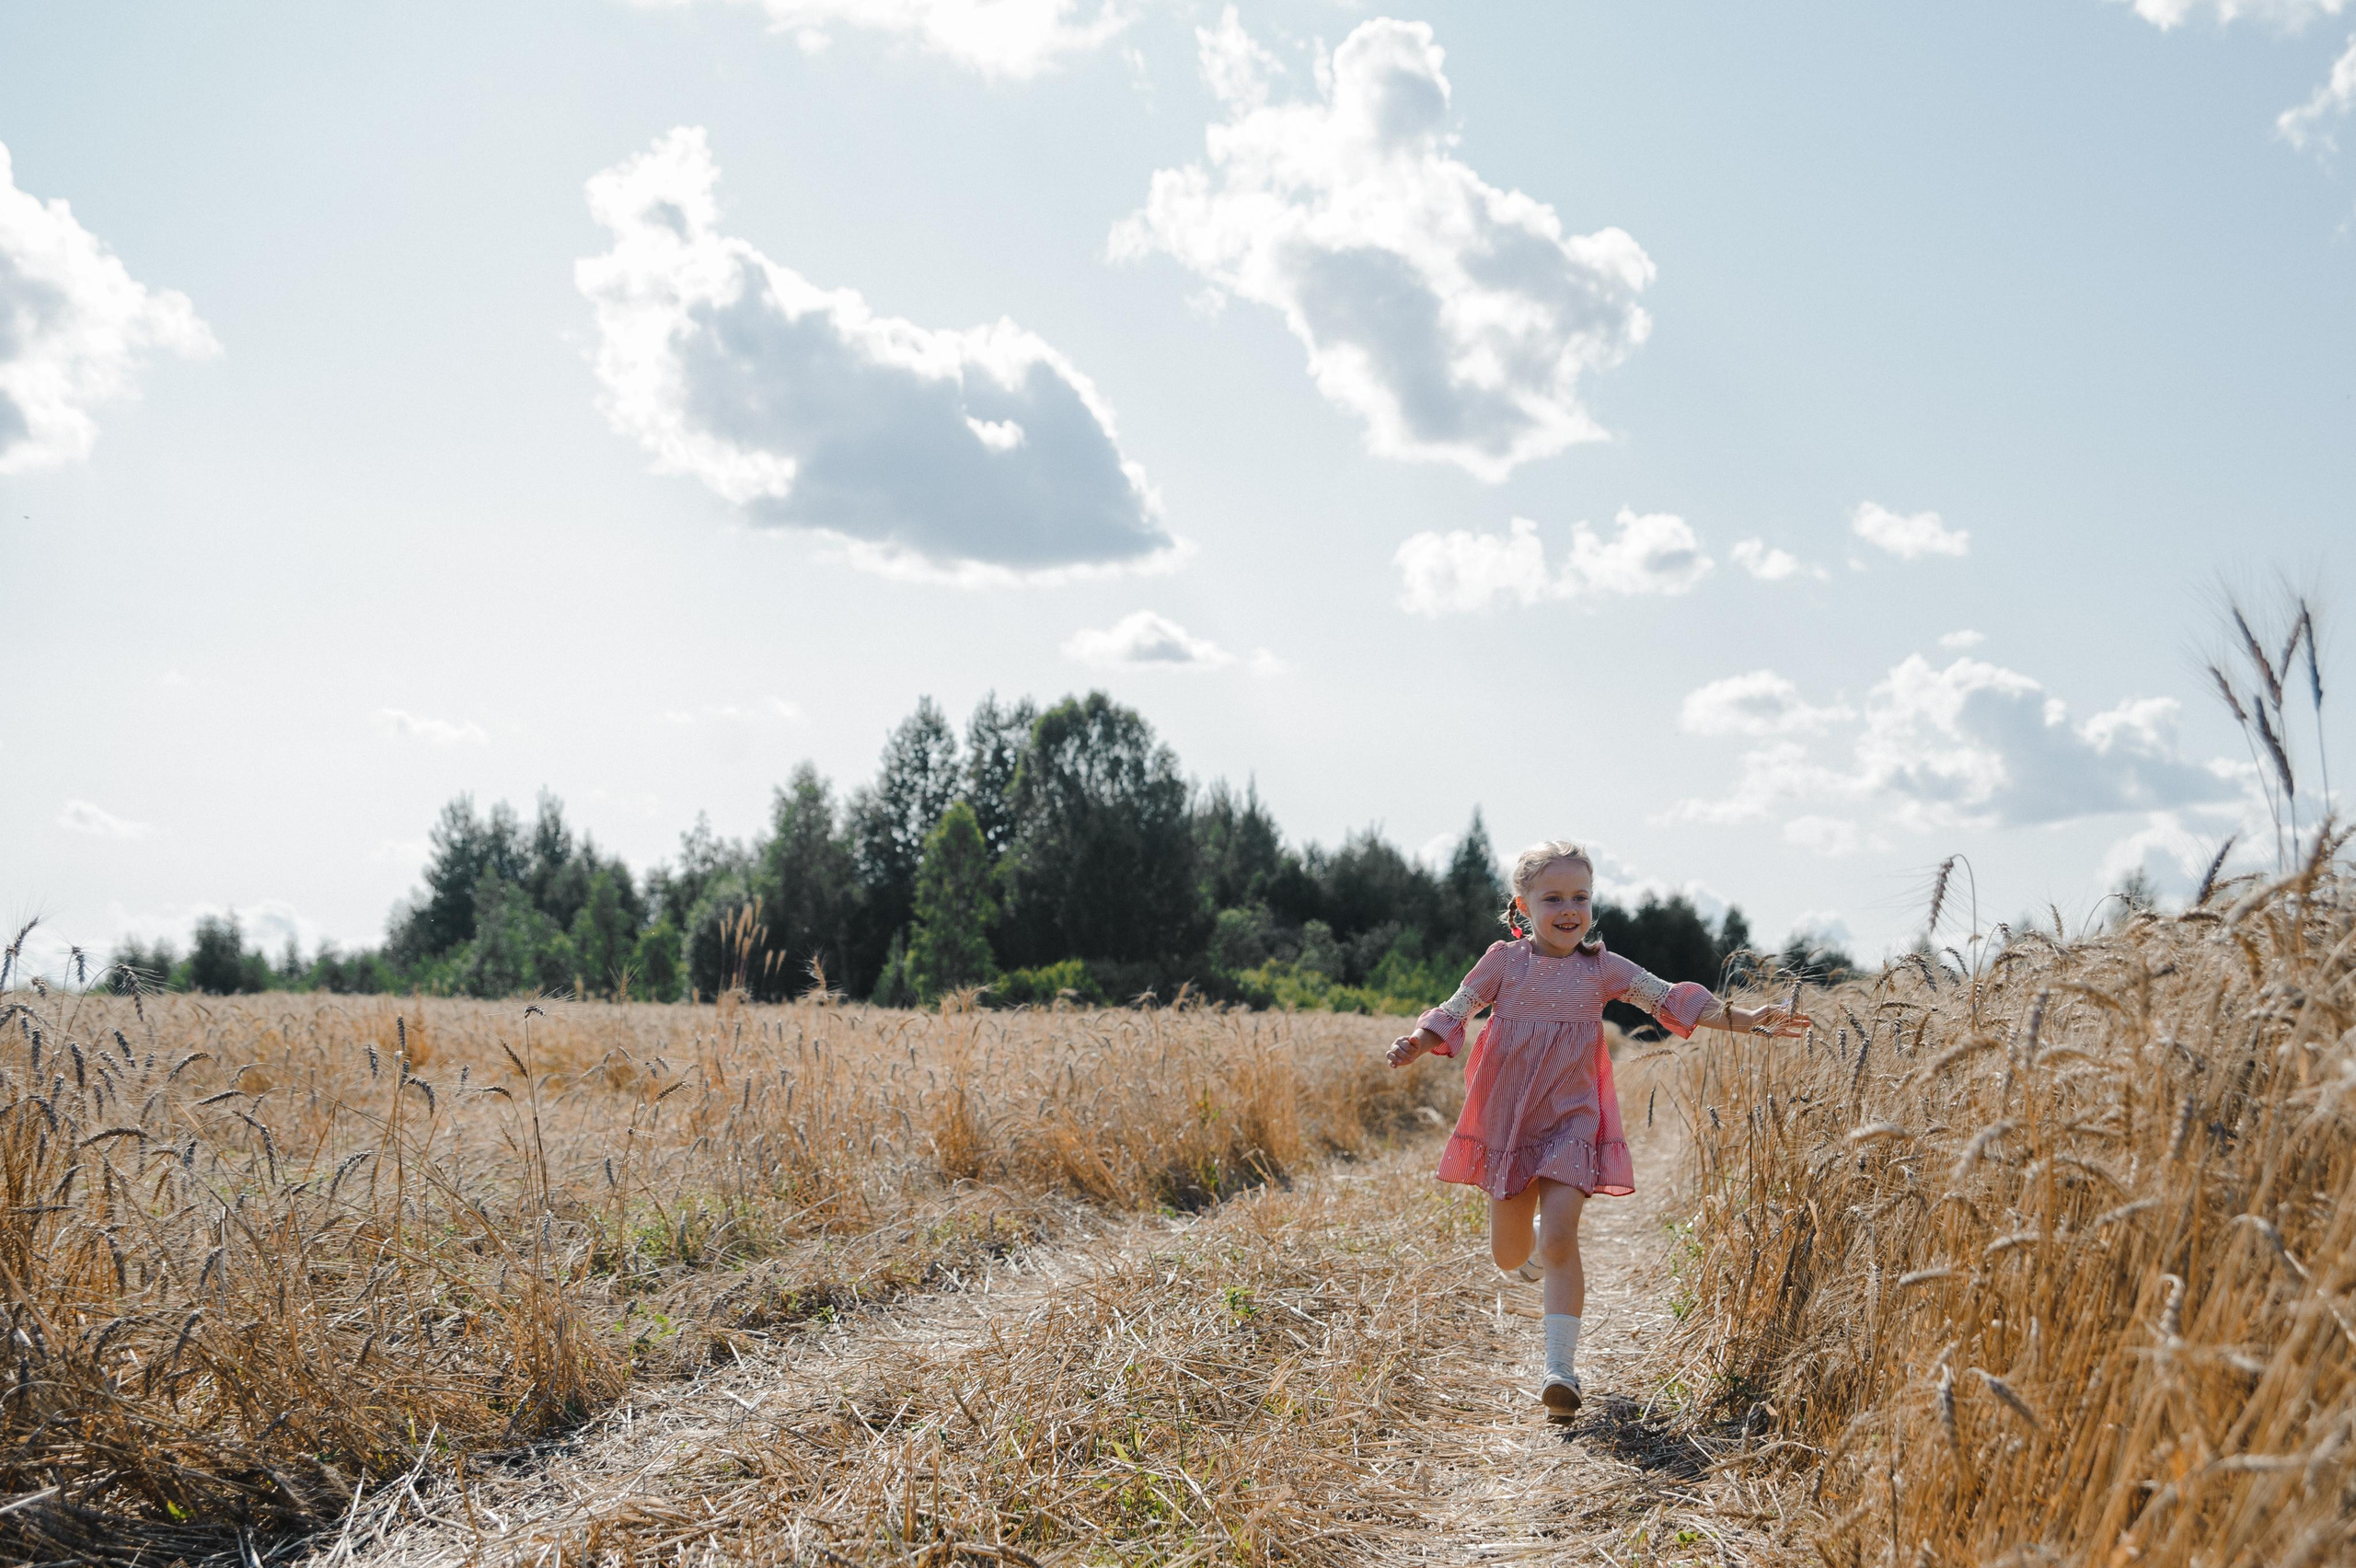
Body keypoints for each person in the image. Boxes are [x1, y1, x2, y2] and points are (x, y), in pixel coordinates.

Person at [1386, 839, 1808, 1422]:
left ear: (1592, 904)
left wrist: (1748, 1020)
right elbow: (1456, 1009)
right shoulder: (1504, 963)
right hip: (1508, 1120)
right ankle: (1530, 1250)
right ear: (1522, 906)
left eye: (1580, 896)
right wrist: (1417, 1042)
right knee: (1510, 1256)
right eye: (1553, 897)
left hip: (1573, 1119)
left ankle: (1559, 1370)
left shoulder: (1602, 968)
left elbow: (1668, 1000)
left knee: (1561, 1235)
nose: (1569, 908)